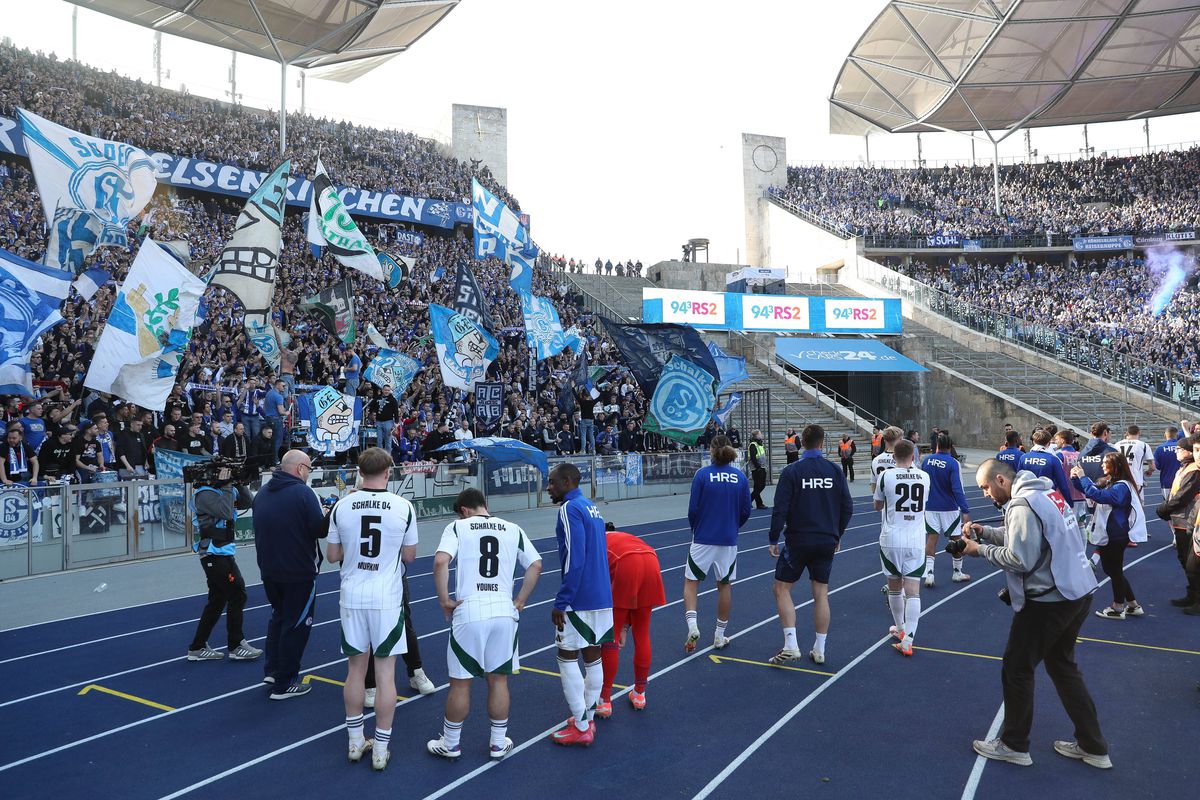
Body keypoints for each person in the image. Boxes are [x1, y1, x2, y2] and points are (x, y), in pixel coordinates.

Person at [961, 459, 1109, 770]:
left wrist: (978, 550)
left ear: (1001, 480)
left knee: (1017, 668)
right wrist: (986, 533)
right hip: (1077, 590)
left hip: (1049, 601)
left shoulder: (1021, 504)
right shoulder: (1045, 493)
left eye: (986, 487)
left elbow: (1020, 558)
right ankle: (1093, 745)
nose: (985, 494)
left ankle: (1014, 745)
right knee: (1063, 667)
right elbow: (1028, 536)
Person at [426, 488, 543, 760]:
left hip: (470, 609)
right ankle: (498, 743)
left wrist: (444, 600)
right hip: (503, 609)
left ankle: (451, 744)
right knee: (499, 680)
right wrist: (520, 600)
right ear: (484, 505)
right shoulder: (512, 528)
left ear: (464, 510)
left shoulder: (458, 527)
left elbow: (441, 561)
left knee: (460, 683)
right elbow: (536, 565)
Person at [325, 447, 418, 770]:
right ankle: (380, 748)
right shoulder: (403, 506)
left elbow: (332, 556)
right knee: (385, 674)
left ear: (359, 472)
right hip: (386, 598)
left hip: (352, 595)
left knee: (355, 671)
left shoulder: (342, 505)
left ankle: (355, 741)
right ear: (388, 472)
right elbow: (409, 556)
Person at [767, 424, 853, 666]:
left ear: (801, 443)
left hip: (799, 539)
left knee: (781, 588)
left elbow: (780, 508)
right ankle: (820, 648)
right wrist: (837, 534)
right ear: (822, 443)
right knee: (821, 593)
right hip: (826, 539)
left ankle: (791, 644)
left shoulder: (792, 471)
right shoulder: (834, 470)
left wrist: (773, 538)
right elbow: (847, 507)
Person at [547, 462, 613, 746]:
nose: (548, 488)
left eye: (552, 482)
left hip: (580, 598)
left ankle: (582, 725)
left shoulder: (569, 508)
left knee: (566, 655)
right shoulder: (591, 507)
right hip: (602, 595)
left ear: (567, 482)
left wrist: (562, 600)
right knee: (593, 654)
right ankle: (587, 715)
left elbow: (575, 557)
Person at [253, 450, 328, 700]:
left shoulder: (263, 492)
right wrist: (332, 512)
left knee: (278, 618)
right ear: (300, 469)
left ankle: (273, 670)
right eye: (309, 469)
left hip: (269, 570)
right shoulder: (304, 493)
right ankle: (285, 683)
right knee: (296, 626)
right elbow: (319, 529)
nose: (309, 474)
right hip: (298, 571)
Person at [186, 466, 260, 663]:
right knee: (238, 593)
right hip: (213, 554)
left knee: (217, 600)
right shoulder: (203, 494)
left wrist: (239, 483)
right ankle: (236, 645)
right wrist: (227, 485)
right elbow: (226, 512)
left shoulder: (224, 491)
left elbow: (249, 502)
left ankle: (197, 647)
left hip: (222, 552)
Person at [684, 436, 751, 653]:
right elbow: (746, 510)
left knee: (691, 583)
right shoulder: (740, 477)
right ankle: (720, 635)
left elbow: (693, 509)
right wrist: (733, 526)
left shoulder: (702, 474)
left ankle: (693, 626)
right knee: (724, 585)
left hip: (703, 537)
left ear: (711, 450)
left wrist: (696, 528)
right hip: (728, 539)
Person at [598, 522, 665, 716]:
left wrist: (617, 626)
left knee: (610, 637)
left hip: (626, 563)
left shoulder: (598, 542)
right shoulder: (625, 537)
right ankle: (639, 694)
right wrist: (625, 627)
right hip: (651, 560)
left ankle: (604, 699)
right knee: (642, 632)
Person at [1070, 453, 1145, 619]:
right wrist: (1076, 479)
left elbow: (1100, 496)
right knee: (1114, 570)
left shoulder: (1122, 486)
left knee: (1113, 570)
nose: (1102, 465)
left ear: (1116, 466)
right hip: (1113, 533)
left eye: (1106, 463)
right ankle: (1133, 604)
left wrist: (1083, 477)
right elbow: (1091, 491)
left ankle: (1118, 608)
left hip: (1115, 534)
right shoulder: (1115, 483)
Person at [875, 439, 929, 656]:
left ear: (893, 456)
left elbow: (877, 505)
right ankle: (909, 639)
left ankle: (900, 627)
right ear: (913, 456)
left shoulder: (885, 476)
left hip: (891, 538)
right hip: (915, 538)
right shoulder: (924, 476)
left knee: (895, 587)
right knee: (913, 590)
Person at [921, 433, 973, 587]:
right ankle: (957, 572)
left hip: (930, 506)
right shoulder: (953, 463)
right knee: (956, 540)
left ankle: (929, 574)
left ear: (936, 445)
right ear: (951, 447)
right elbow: (957, 488)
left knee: (931, 539)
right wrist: (965, 510)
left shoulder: (926, 460)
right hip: (949, 507)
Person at [1155, 435, 1199, 609]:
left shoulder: (1193, 470)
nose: (1176, 452)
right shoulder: (1185, 468)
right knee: (1185, 561)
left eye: (1179, 449)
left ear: (1188, 452)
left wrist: (1163, 509)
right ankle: (1192, 595)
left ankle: (1197, 598)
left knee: (1193, 565)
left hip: (1189, 521)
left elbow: (1182, 497)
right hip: (1182, 520)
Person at [1018, 431, 1074, 506]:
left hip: (1027, 498)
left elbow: (1018, 479)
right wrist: (1069, 503)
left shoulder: (1024, 457)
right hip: (1047, 500)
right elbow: (1062, 484)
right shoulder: (1053, 459)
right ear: (1049, 443)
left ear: (1033, 442)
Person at [1114, 424, 1155, 491]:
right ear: (1139, 432)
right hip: (1136, 480)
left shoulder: (1117, 444)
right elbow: (1152, 467)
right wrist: (1148, 471)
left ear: (1127, 433)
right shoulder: (1143, 445)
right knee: (1136, 498)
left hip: (1120, 479)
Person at [870, 426, 903, 494]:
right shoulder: (904, 459)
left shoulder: (876, 460)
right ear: (900, 439)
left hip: (882, 495)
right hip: (898, 494)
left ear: (885, 440)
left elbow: (873, 485)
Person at [1154, 426, 1181, 495]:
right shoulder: (1182, 447)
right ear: (1177, 435)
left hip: (1167, 481)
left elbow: (1157, 466)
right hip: (1182, 481)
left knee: (1168, 501)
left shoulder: (1159, 449)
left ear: (1165, 435)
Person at [748, 429, 768, 509]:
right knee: (760, 486)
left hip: (761, 467)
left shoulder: (759, 444)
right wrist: (758, 467)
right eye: (760, 434)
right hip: (757, 469)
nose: (761, 435)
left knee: (758, 487)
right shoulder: (753, 445)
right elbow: (753, 457)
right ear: (756, 436)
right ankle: (748, 501)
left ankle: (759, 503)